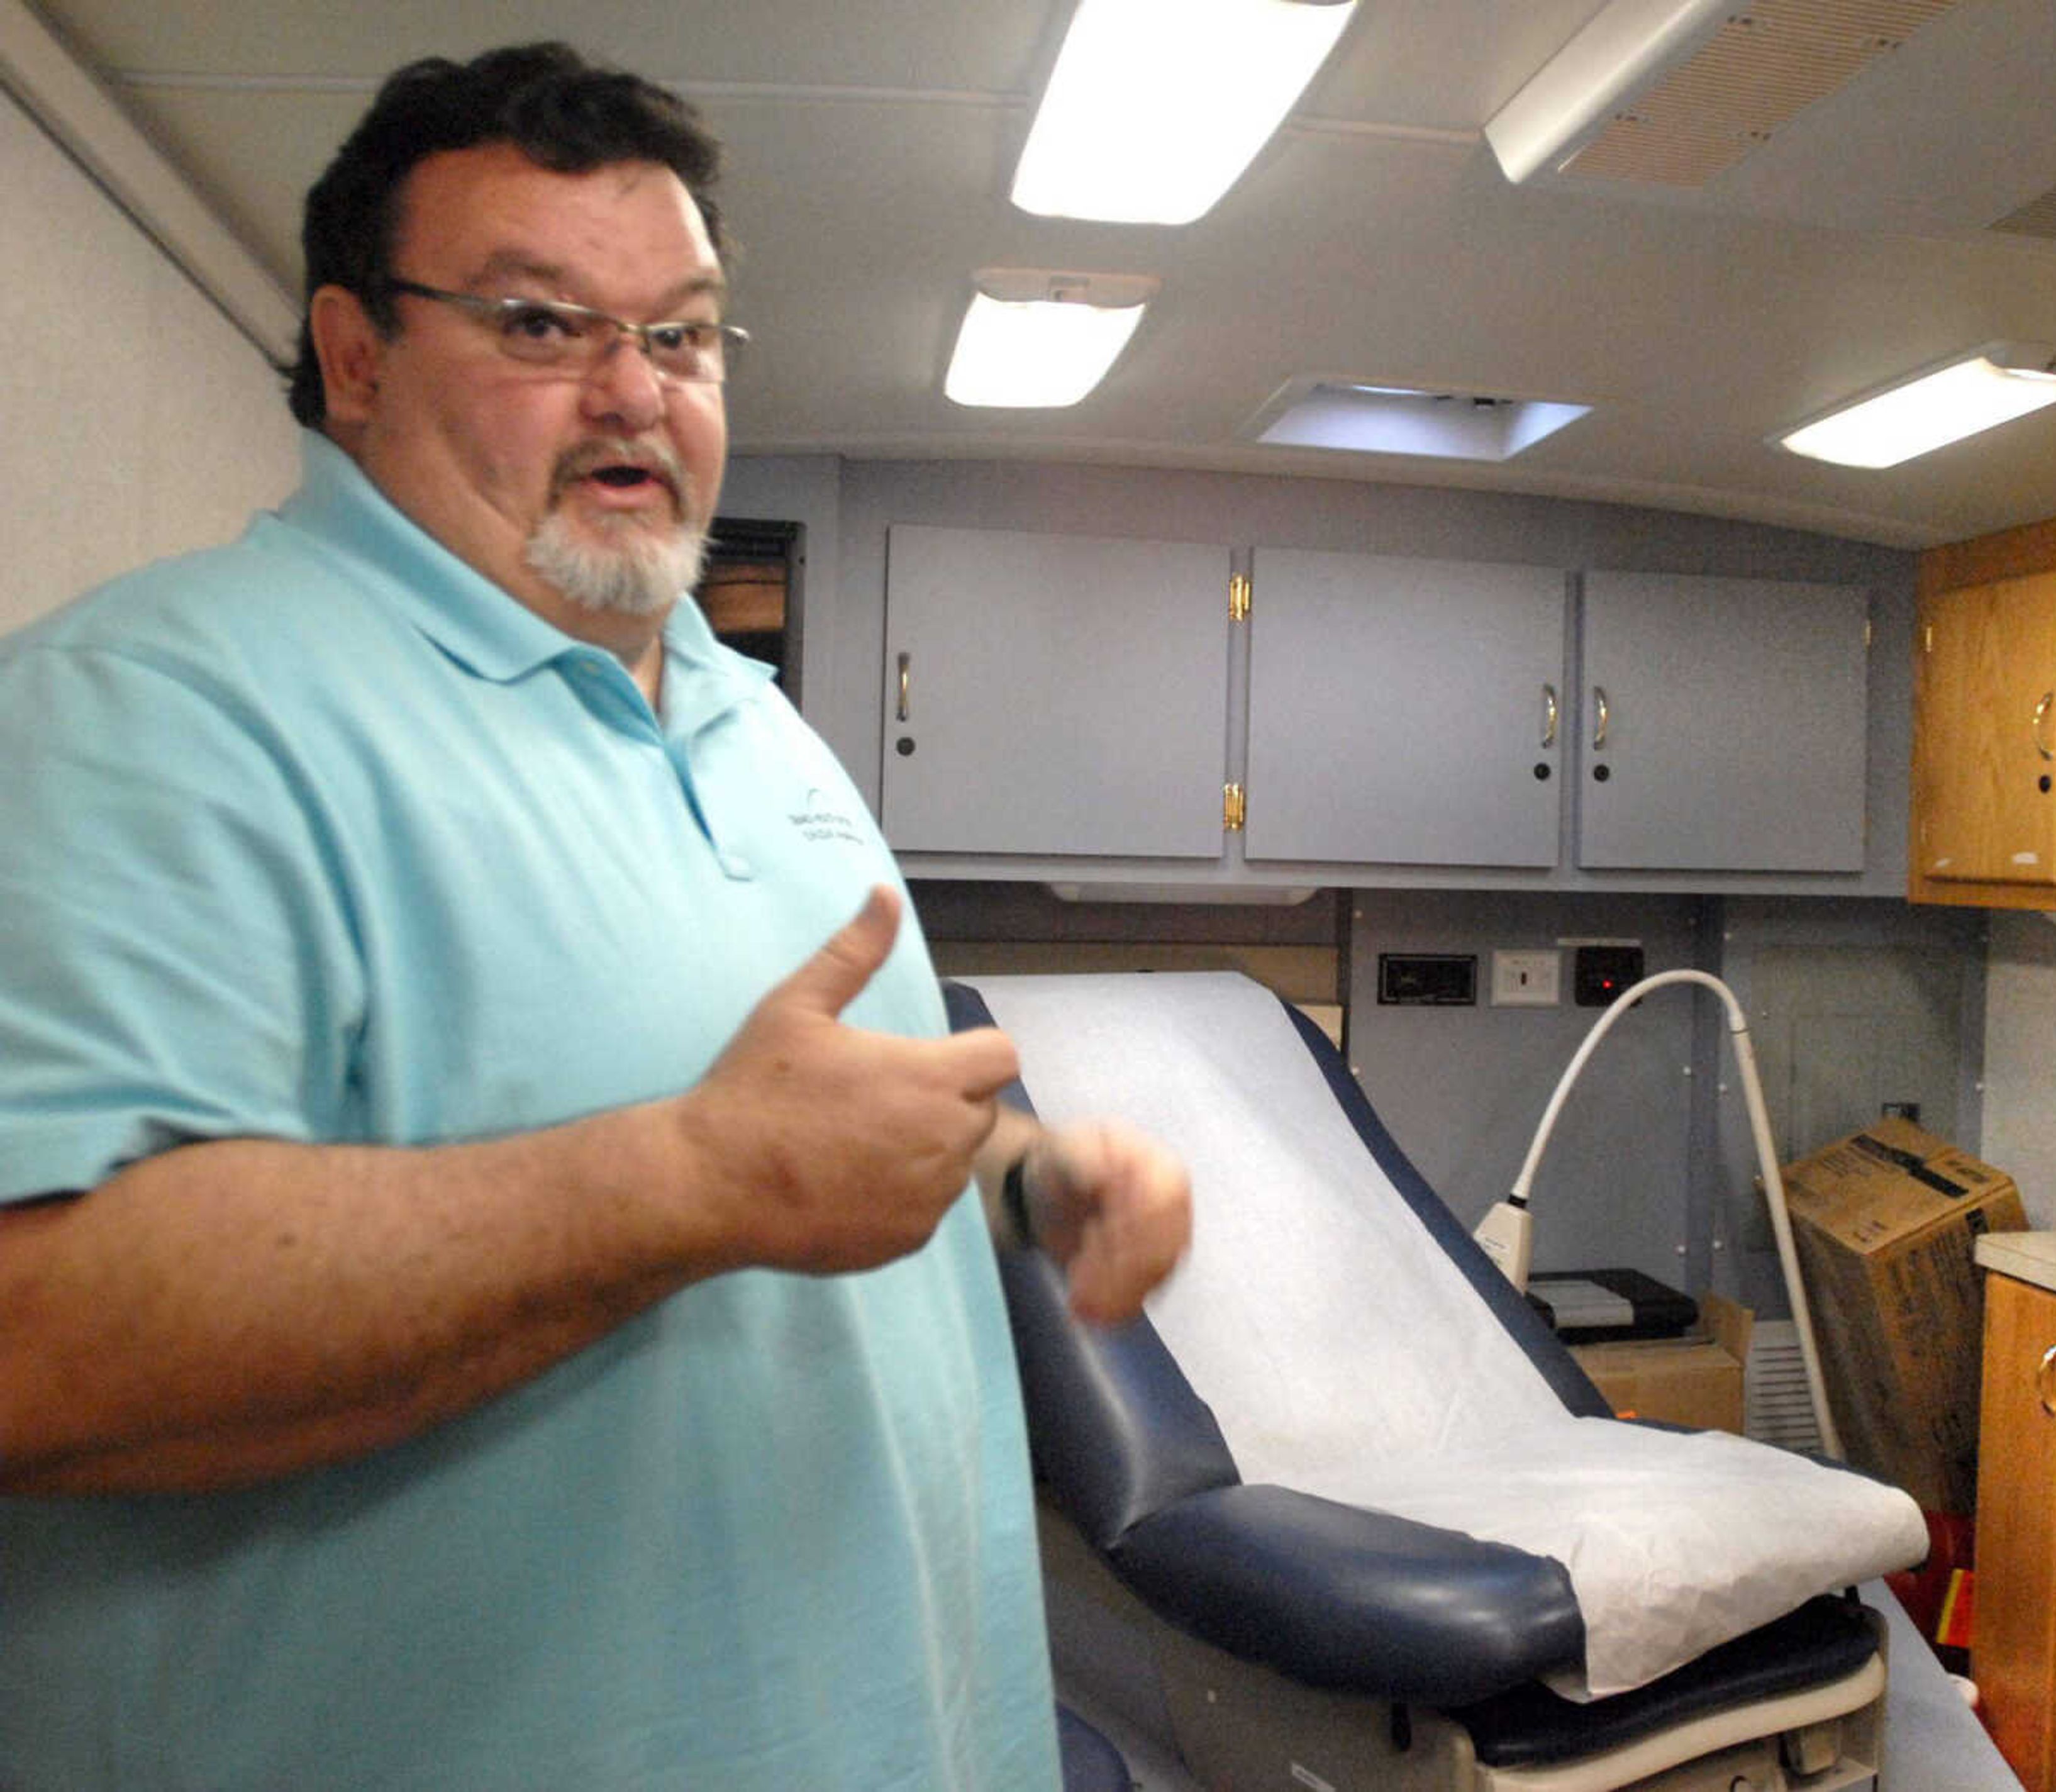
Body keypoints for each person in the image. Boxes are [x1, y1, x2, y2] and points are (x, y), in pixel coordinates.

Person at [0, 42, 1190, 1790]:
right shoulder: (149, 708)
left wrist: (1022, 1176)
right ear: (354, 356)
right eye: (540, 325)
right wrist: (690, 1179)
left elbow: (868, 1101)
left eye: (685, 333)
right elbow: (34, 1335)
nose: (637, 393)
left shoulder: (758, 722)